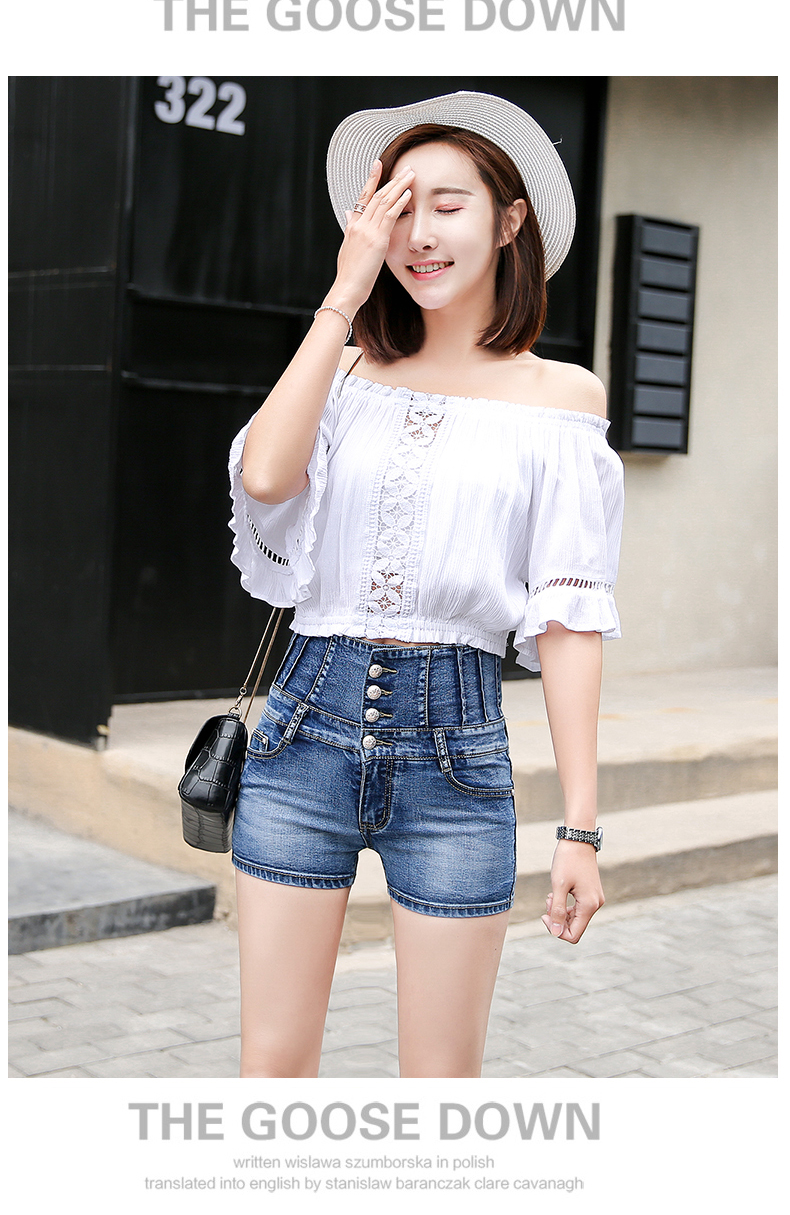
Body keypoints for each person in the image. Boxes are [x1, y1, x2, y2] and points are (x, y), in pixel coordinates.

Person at [227, 91, 624, 1079]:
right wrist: (343, 294)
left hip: (456, 756)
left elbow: (569, 620)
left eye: (448, 206)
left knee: (442, 1084)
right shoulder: (343, 372)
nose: (419, 235)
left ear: (510, 219)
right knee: (271, 1069)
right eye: (398, 210)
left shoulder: (561, 402)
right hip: (301, 735)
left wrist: (579, 827)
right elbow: (266, 476)